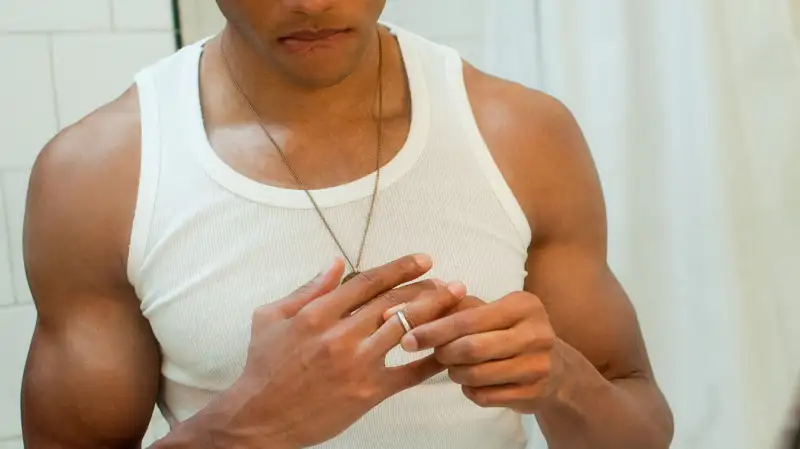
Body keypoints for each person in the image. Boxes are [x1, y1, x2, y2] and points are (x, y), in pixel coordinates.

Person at [20, 1, 674, 448]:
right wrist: (251, 423)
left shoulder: (524, 134)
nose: (310, 1)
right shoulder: (99, 175)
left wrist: (559, 378)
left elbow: (641, 428)